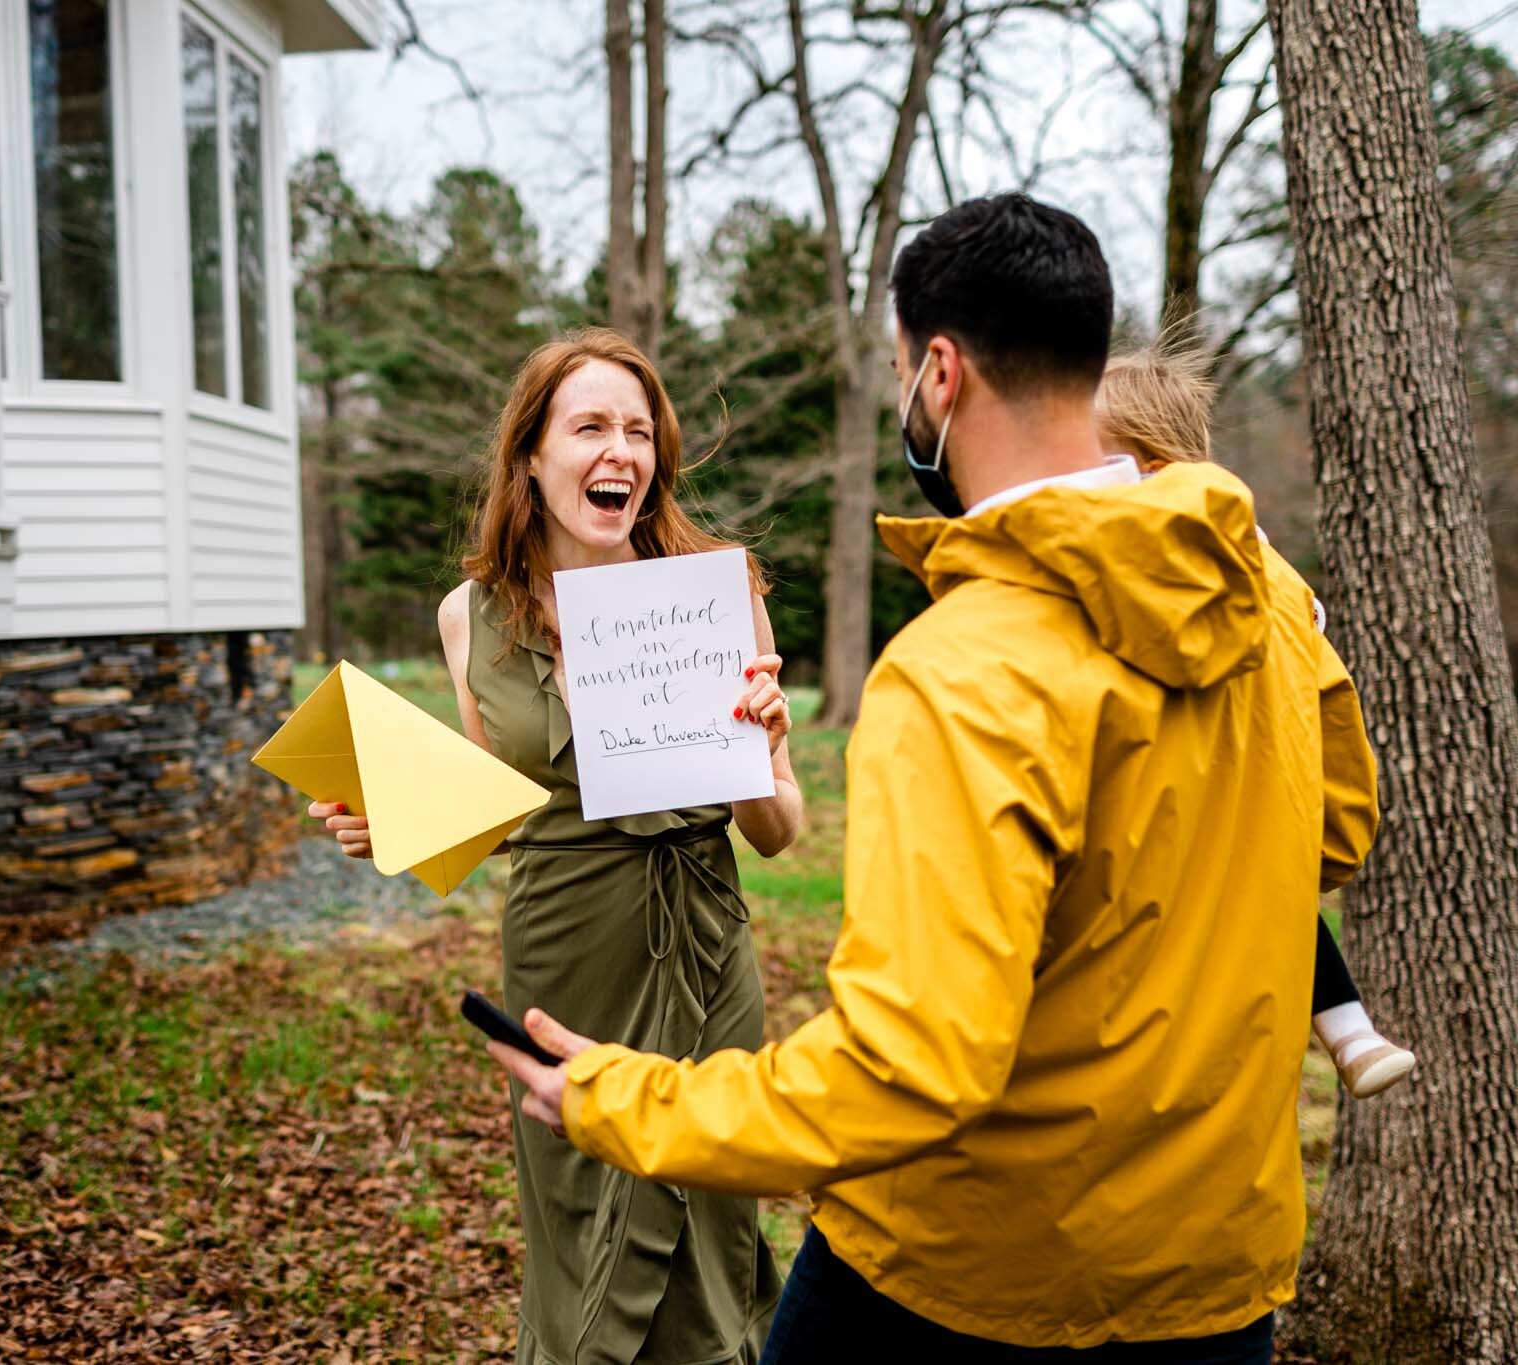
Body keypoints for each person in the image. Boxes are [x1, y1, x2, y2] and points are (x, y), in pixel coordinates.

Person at [488, 195, 1381, 1362]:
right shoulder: (1267, 598)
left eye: (902, 369)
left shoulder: (956, 669)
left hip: (956, 1273)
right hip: (1216, 1270)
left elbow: (907, 1066)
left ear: (939, 373)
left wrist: (623, 1102)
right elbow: (1331, 833)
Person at [312, 329, 805, 1363]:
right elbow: (512, 815)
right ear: (531, 456)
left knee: (705, 1213)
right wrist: (396, 820)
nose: (619, 449)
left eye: (638, 430)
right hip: (559, 951)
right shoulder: (469, 617)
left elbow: (775, 833)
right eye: (589, 427)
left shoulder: (713, 590)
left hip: (702, 946)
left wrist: (763, 748)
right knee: (579, 1210)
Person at [1096, 336, 1416, 1099]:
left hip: (1193, 816)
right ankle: (1349, 1030)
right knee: (1280, 900)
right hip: (1263, 810)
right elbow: (1321, 670)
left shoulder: (1145, 548)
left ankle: (1349, 1030)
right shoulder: (1261, 555)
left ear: (1143, 463)